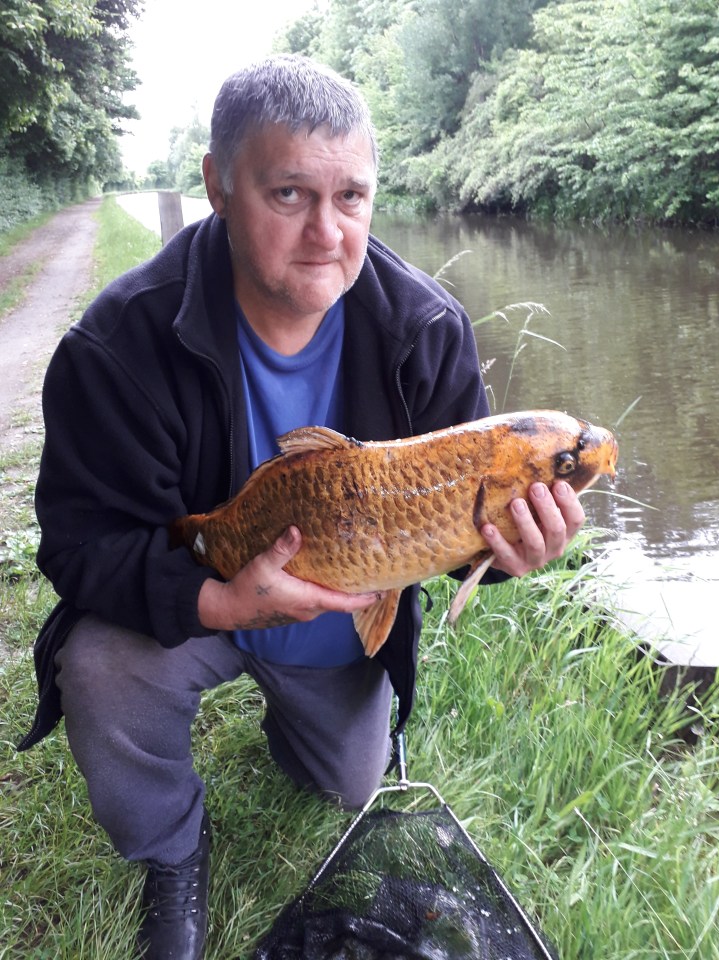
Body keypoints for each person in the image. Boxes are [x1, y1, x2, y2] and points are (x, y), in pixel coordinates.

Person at [18, 55, 586, 960]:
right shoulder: (117, 345)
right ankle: (170, 851)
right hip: (192, 602)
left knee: (346, 780)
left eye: (352, 198)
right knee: (97, 667)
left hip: (339, 618)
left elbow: (467, 537)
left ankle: (298, 724)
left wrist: (511, 557)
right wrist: (219, 600)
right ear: (219, 186)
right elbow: (82, 548)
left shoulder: (425, 331)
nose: (328, 233)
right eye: (288, 194)